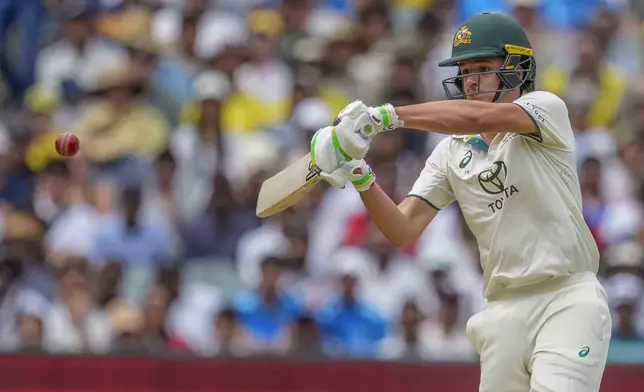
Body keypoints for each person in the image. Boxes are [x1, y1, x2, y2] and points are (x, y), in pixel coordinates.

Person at [311, 12, 611, 392]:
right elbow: (403, 229)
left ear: (517, 70)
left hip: (567, 299)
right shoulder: (450, 153)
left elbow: (474, 115)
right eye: (464, 70)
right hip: (502, 310)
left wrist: (384, 116)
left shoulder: (546, 110)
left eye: (483, 68)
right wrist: (360, 174)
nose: (470, 80)